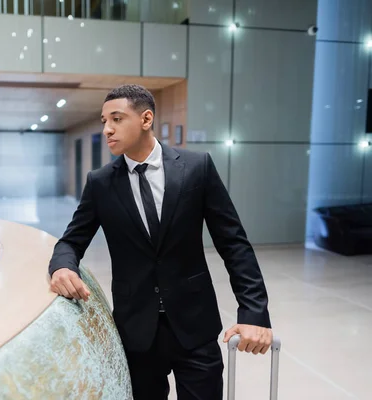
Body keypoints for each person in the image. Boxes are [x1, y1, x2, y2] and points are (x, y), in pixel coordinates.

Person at [48, 84, 273, 400]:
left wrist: (253, 313)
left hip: (195, 325)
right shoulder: (99, 183)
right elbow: (70, 241)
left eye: (116, 118)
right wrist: (62, 267)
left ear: (146, 118)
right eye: (103, 121)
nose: (107, 129)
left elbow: (234, 244)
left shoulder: (197, 168)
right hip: (136, 331)